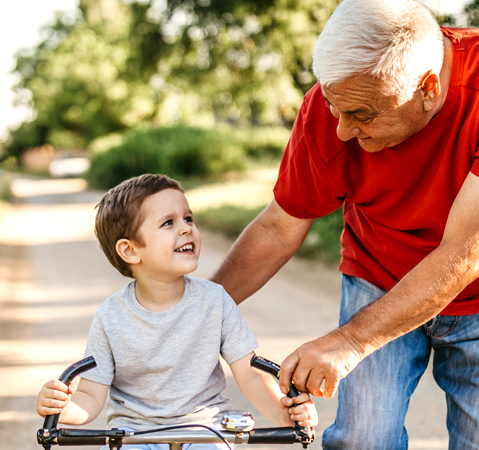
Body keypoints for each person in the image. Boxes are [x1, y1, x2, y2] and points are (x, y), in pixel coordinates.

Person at [208, 0, 479, 449]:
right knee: (362, 441)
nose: (343, 132)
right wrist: (197, 314)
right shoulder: (326, 115)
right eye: (334, 106)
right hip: (379, 279)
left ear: (427, 89)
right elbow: (278, 227)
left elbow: (467, 251)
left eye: (363, 115)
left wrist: (348, 342)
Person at [35, 174, 319, 449]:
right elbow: (90, 395)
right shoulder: (110, 317)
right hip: (135, 433)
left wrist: (283, 414)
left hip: (206, 429)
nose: (186, 229)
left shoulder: (215, 300)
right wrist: (63, 408)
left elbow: (249, 372)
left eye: (188, 219)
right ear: (130, 251)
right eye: (168, 223)